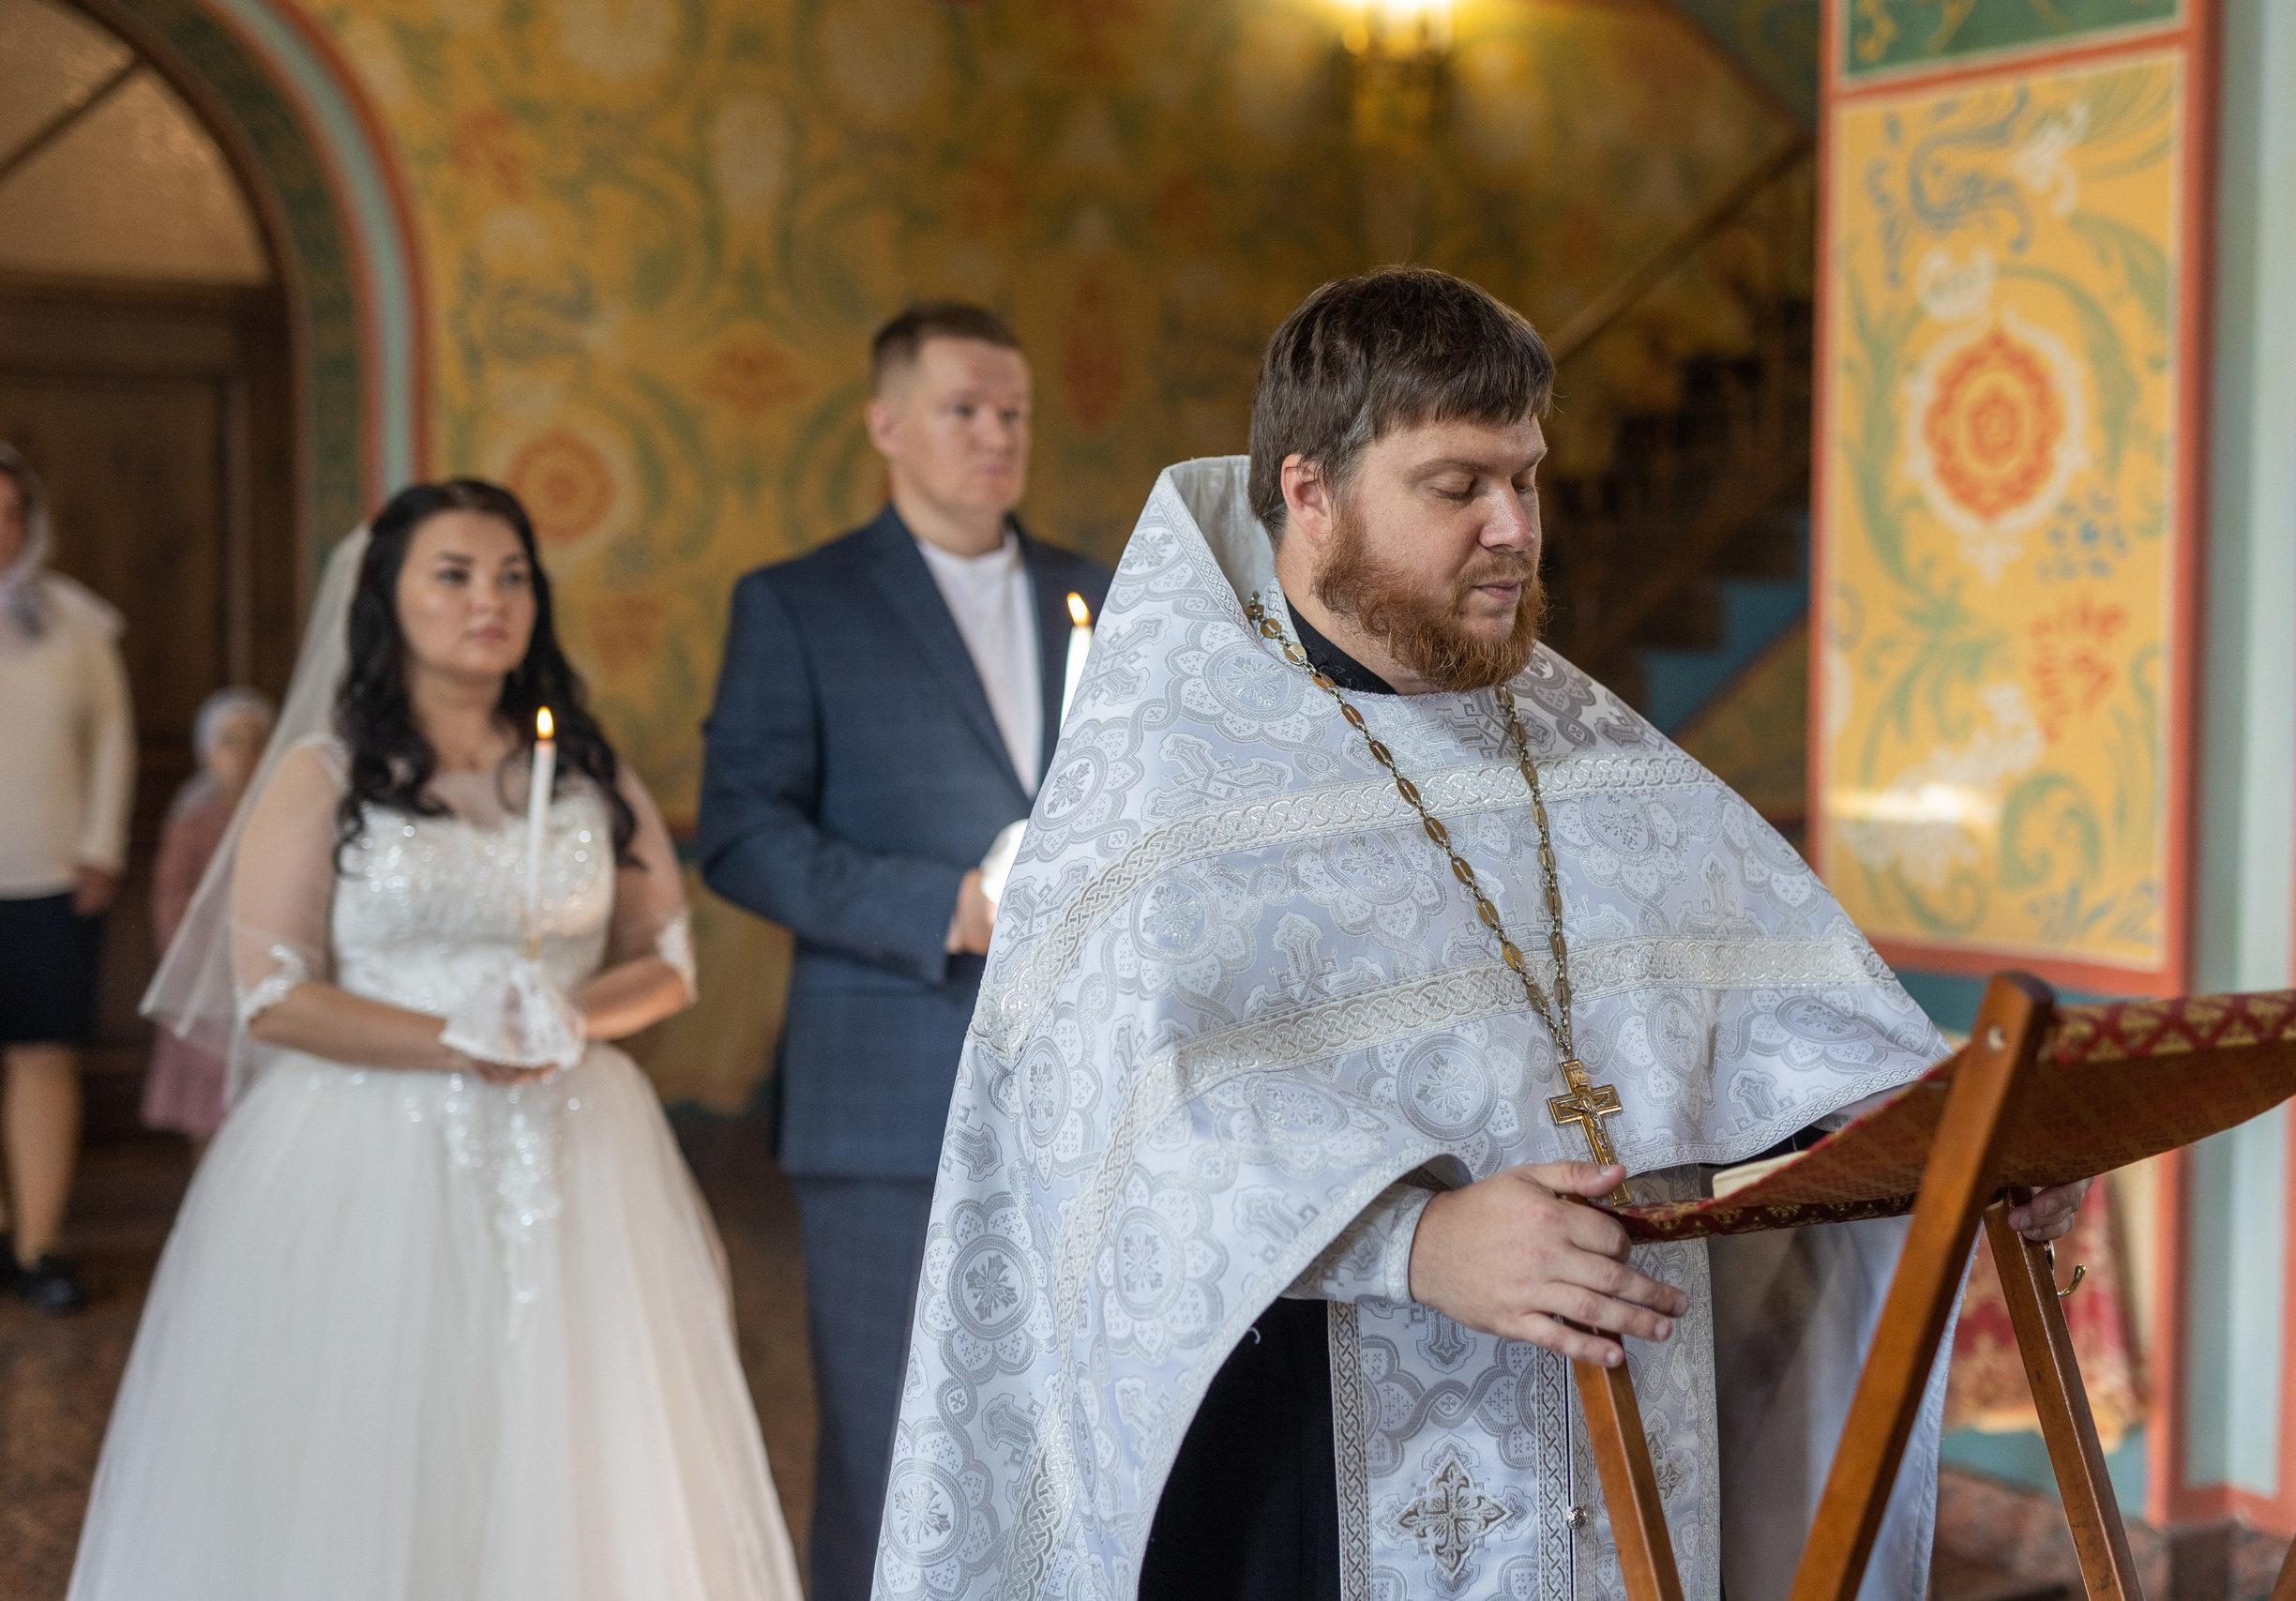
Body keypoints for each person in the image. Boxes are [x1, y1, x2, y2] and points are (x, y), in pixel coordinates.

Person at [872, 268, 2092, 1601]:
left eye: (1528, 477)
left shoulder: (1585, 742)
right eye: (1458, 486)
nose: (1514, 528)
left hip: (1622, 1426)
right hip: (1301, 1457)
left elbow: (1770, 1004)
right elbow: (1101, 1137)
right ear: (1309, 491)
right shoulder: (1161, 784)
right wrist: (1413, 1243)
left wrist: (1946, 1140)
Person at [72, 480, 804, 1601]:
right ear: (388, 599)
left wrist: (574, 1017)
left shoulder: (587, 765)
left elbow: (667, 956)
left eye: (512, 576)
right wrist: (455, 1039)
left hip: (577, 1146)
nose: (489, 600)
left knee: (574, 1435)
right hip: (366, 1148)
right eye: (453, 575)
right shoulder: (321, 774)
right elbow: (271, 993)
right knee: (376, 1439)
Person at [699, 301, 1112, 1601]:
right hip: (888, 1087)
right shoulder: (798, 602)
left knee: (1072, 1434)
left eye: (1014, 414)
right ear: (887, 424)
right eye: (964, 410)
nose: (996, 436)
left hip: (1087, 1085)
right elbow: (742, 834)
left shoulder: (1096, 592)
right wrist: (946, 907)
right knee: (892, 1444)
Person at [0, 444, 134, 1316]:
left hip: (52, 876)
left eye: (9, 512)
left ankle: (38, 1243)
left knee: (44, 1058)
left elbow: (114, 736)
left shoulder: (76, 623)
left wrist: (102, 845)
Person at [142, 687, 276, 1143]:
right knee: (210, 1092)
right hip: (208, 974)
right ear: (206, 753)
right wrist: (195, 955)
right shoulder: (194, 818)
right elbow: (172, 894)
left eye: (256, 741)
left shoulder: (278, 812)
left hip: (263, 955)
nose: (244, 755)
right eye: (229, 742)